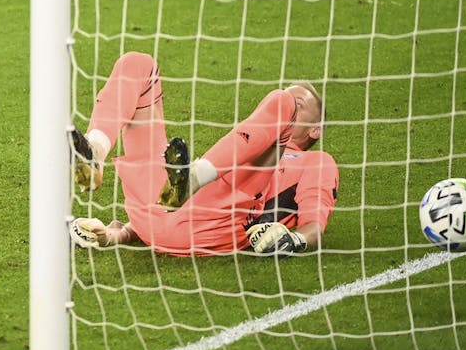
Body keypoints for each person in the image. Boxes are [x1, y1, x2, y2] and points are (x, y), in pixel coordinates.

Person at [68, 51, 336, 256]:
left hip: (223, 218)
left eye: (299, 105)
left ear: (316, 130)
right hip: (157, 210)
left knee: (280, 102)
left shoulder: (316, 162)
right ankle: (95, 150)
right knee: (137, 63)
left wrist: (293, 239)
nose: (289, 108)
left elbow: (314, 226)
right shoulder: (237, 148)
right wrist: (118, 234)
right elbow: (168, 213)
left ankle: (193, 177)